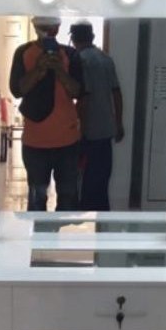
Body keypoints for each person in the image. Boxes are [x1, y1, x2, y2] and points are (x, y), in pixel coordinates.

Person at [9, 16, 84, 211]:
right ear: (34, 26)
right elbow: (17, 90)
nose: (46, 30)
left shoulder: (70, 54)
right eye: (42, 26)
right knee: (37, 200)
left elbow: (77, 92)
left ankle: (60, 232)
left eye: (50, 26)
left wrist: (59, 70)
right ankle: (40, 233)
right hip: (35, 141)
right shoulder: (23, 52)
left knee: (68, 200)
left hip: (67, 140)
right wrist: (38, 69)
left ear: (57, 28)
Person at [69, 21, 124, 211]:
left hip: (88, 131)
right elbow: (116, 93)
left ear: (73, 39)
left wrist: (79, 131)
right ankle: (102, 219)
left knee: (86, 182)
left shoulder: (80, 60)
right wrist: (118, 123)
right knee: (102, 180)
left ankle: (87, 217)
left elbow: (83, 99)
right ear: (92, 37)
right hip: (106, 129)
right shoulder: (105, 59)